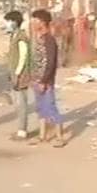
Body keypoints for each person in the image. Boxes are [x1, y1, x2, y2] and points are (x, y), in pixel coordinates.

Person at [30, 9, 65, 148]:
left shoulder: (49, 40)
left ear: (42, 22)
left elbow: (50, 63)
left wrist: (44, 81)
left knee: (51, 108)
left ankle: (59, 137)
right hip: (36, 79)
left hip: (46, 81)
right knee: (40, 109)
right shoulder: (38, 38)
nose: (33, 23)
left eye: (35, 21)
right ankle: (42, 136)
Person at [4, 11, 31, 140]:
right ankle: (20, 128)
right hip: (14, 73)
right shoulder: (13, 36)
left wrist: (17, 74)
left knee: (21, 103)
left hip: (20, 74)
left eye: (9, 21)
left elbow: (23, 57)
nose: (7, 24)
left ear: (15, 22)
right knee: (17, 102)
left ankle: (22, 131)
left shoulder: (21, 37)